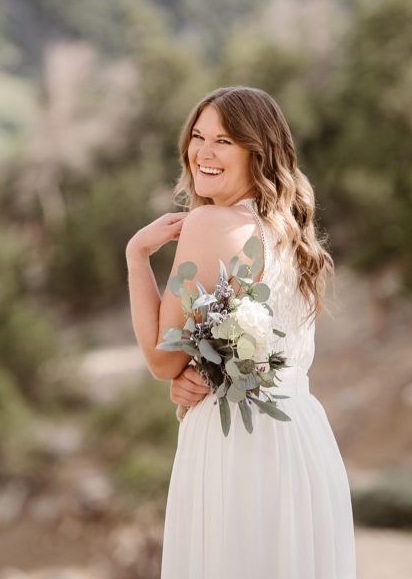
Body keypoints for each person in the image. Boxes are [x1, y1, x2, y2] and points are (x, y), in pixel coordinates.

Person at [126, 85, 356, 578]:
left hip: (239, 447)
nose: (203, 153)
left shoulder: (210, 222)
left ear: (259, 150)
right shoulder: (289, 230)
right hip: (303, 440)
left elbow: (162, 358)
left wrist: (136, 257)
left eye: (224, 141)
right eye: (198, 135)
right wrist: (207, 370)